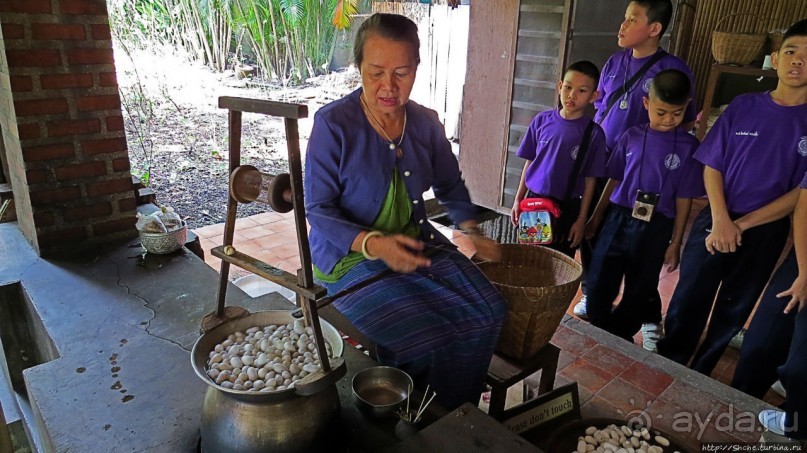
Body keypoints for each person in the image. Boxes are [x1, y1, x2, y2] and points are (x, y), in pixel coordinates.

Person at [303, 13, 507, 410]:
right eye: (376, 72)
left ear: (416, 68)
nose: (388, 86)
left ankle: (453, 413)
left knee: (490, 312)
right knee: (425, 338)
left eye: (401, 73)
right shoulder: (334, 124)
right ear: (358, 66)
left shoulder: (425, 123)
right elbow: (319, 208)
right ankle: (412, 416)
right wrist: (375, 245)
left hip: (415, 245)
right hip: (349, 260)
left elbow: (449, 183)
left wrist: (471, 229)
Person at [657, 18, 807, 376]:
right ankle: (667, 365)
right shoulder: (743, 105)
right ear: (775, 58)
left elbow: (801, 195)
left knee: (734, 309)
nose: (798, 61)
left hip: (764, 231)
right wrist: (722, 219)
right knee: (688, 298)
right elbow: (713, 164)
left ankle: (701, 373)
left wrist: (741, 225)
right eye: (791, 51)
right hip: (716, 217)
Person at [573, 0, 698, 354]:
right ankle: (595, 299)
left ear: (654, 28)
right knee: (598, 246)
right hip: (609, 168)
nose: (623, 25)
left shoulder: (673, 69)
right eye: (625, 18)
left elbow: (685, 122)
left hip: (650, 191)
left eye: (632, 19)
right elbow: (601, 107)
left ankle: (647, 318)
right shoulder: (615, 62)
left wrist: (676, 240)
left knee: (643, 268)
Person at [583, 70, 703, 344]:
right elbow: (614, 178)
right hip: (618, 218)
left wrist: (675, 242)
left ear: (687, 106)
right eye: (661, 112)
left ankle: (620, 336)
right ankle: (600, 326)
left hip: (656, 225)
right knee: (600, 277)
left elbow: (684, 198)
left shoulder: (688, 147)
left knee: (641, 285)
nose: (669, 119)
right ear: (647, 103)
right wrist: (596, 216)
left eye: (677, 113)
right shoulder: (632, 136)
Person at [510, 60, 608, 258]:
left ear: (593, 96)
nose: (572, 95)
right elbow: (529, 162)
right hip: (534, 201)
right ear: (560, 86)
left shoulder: (594, 134)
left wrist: (581, 219)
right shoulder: (542, 121)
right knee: (529, 259)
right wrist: (518, 199)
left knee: (558, 261)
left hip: (567, 208)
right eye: (568, 87)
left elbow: (590, 180)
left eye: (582, 91)